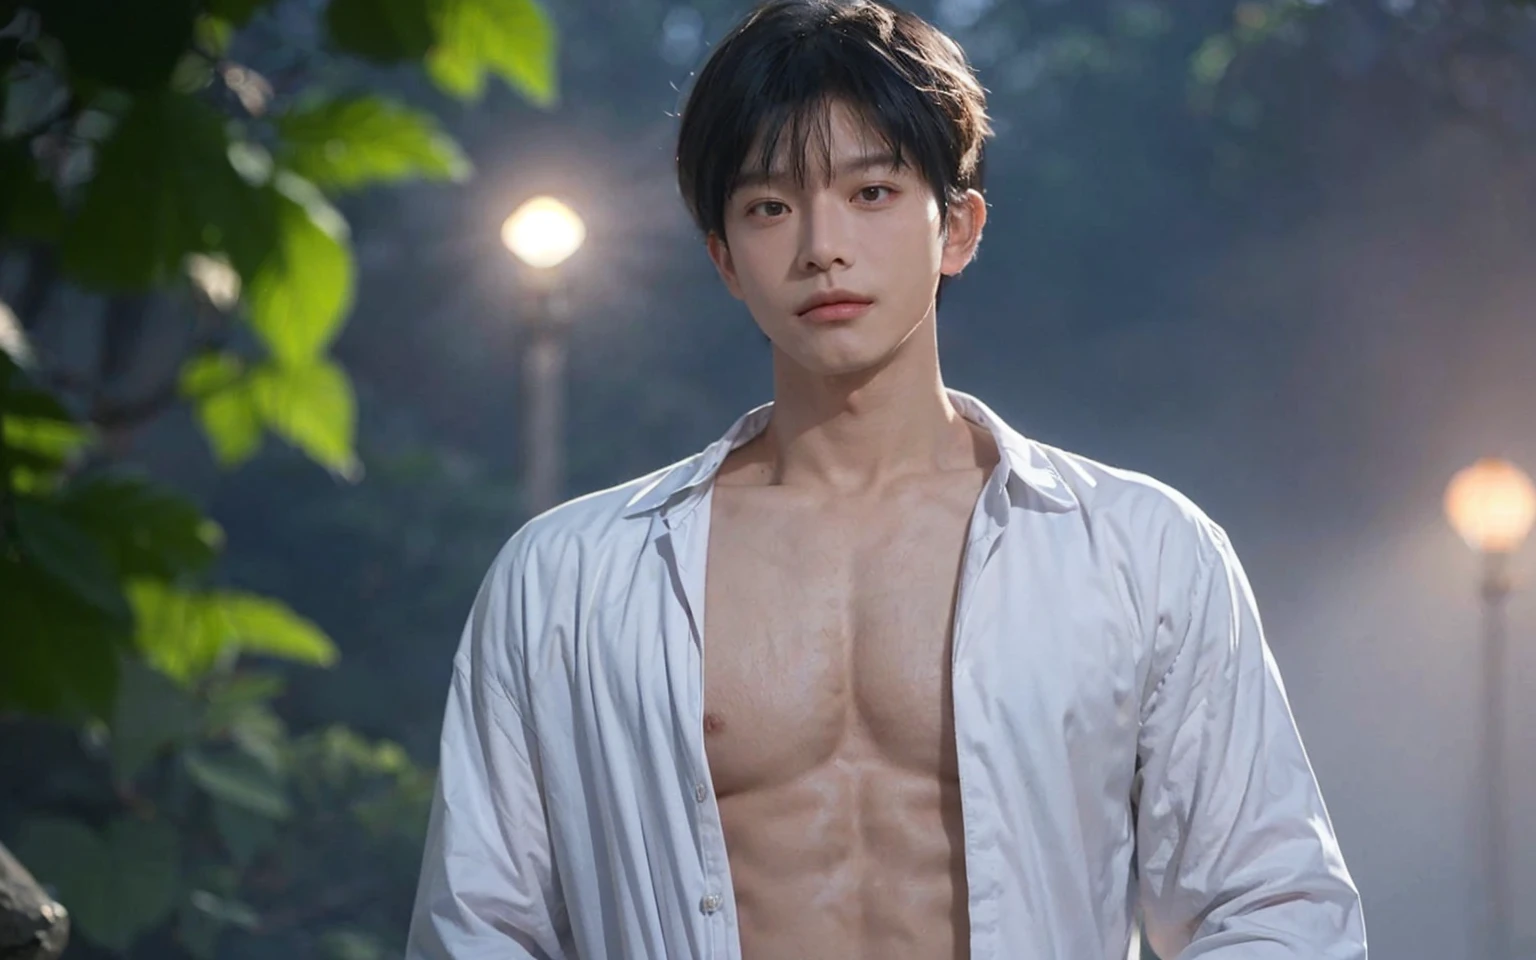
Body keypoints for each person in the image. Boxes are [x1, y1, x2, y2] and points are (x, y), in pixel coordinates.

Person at [404, 0, 1368, 957]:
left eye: (870, 193)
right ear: (726, 261)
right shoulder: (566, 580)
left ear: (958, 228)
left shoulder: (1141, 550)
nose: (821, 245)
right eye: (769, 206)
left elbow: (1273, 905)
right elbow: (483, 928)